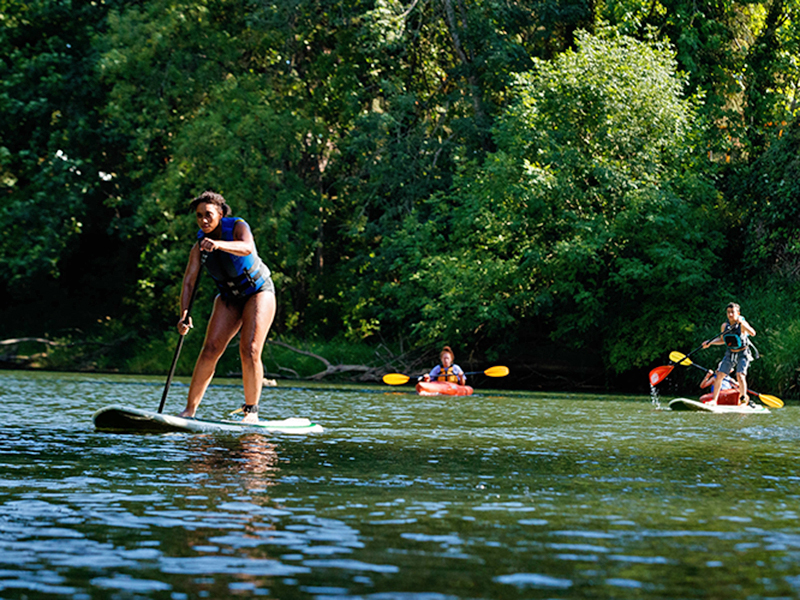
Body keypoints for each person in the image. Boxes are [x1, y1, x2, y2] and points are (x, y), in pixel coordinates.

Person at [176, 191, 276, 423]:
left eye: (208, 215)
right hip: (229, 298)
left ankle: (251, 411)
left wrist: (219, 245)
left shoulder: (238, 226)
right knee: (210, 349)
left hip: (258, 292)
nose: (204, 220)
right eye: (199, 216)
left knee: (249, 349)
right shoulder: (198, 247)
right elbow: (189, 282)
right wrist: (184, 315)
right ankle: (189, 410)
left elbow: (247, 248)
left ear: (220, 214)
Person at [701, 302, 756, 407]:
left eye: (733, 312)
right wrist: (710, 342)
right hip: (730, 352)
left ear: (738, 313)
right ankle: (714, 401)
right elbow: (722, 340)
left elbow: (753, 333)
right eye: (728, 312)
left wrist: (742, 323)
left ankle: (743, 400)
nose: (730, 315)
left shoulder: (742, 324)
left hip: (743, 353)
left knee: (740, 375)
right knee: (720, 375)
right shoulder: (724, 326)